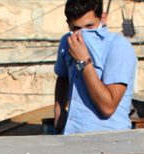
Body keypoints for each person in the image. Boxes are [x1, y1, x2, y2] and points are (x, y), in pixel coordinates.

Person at [53, 0, 137, 135]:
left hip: (108, 138)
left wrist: (84, 61)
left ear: (103, 18)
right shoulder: (68, 41)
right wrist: (59, 109)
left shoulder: (118, 46)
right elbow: (63, 77)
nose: (82, 34)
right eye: (76, 28)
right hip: (71, 135)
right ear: (68, 25)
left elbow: (107, 107)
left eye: (89, 26)